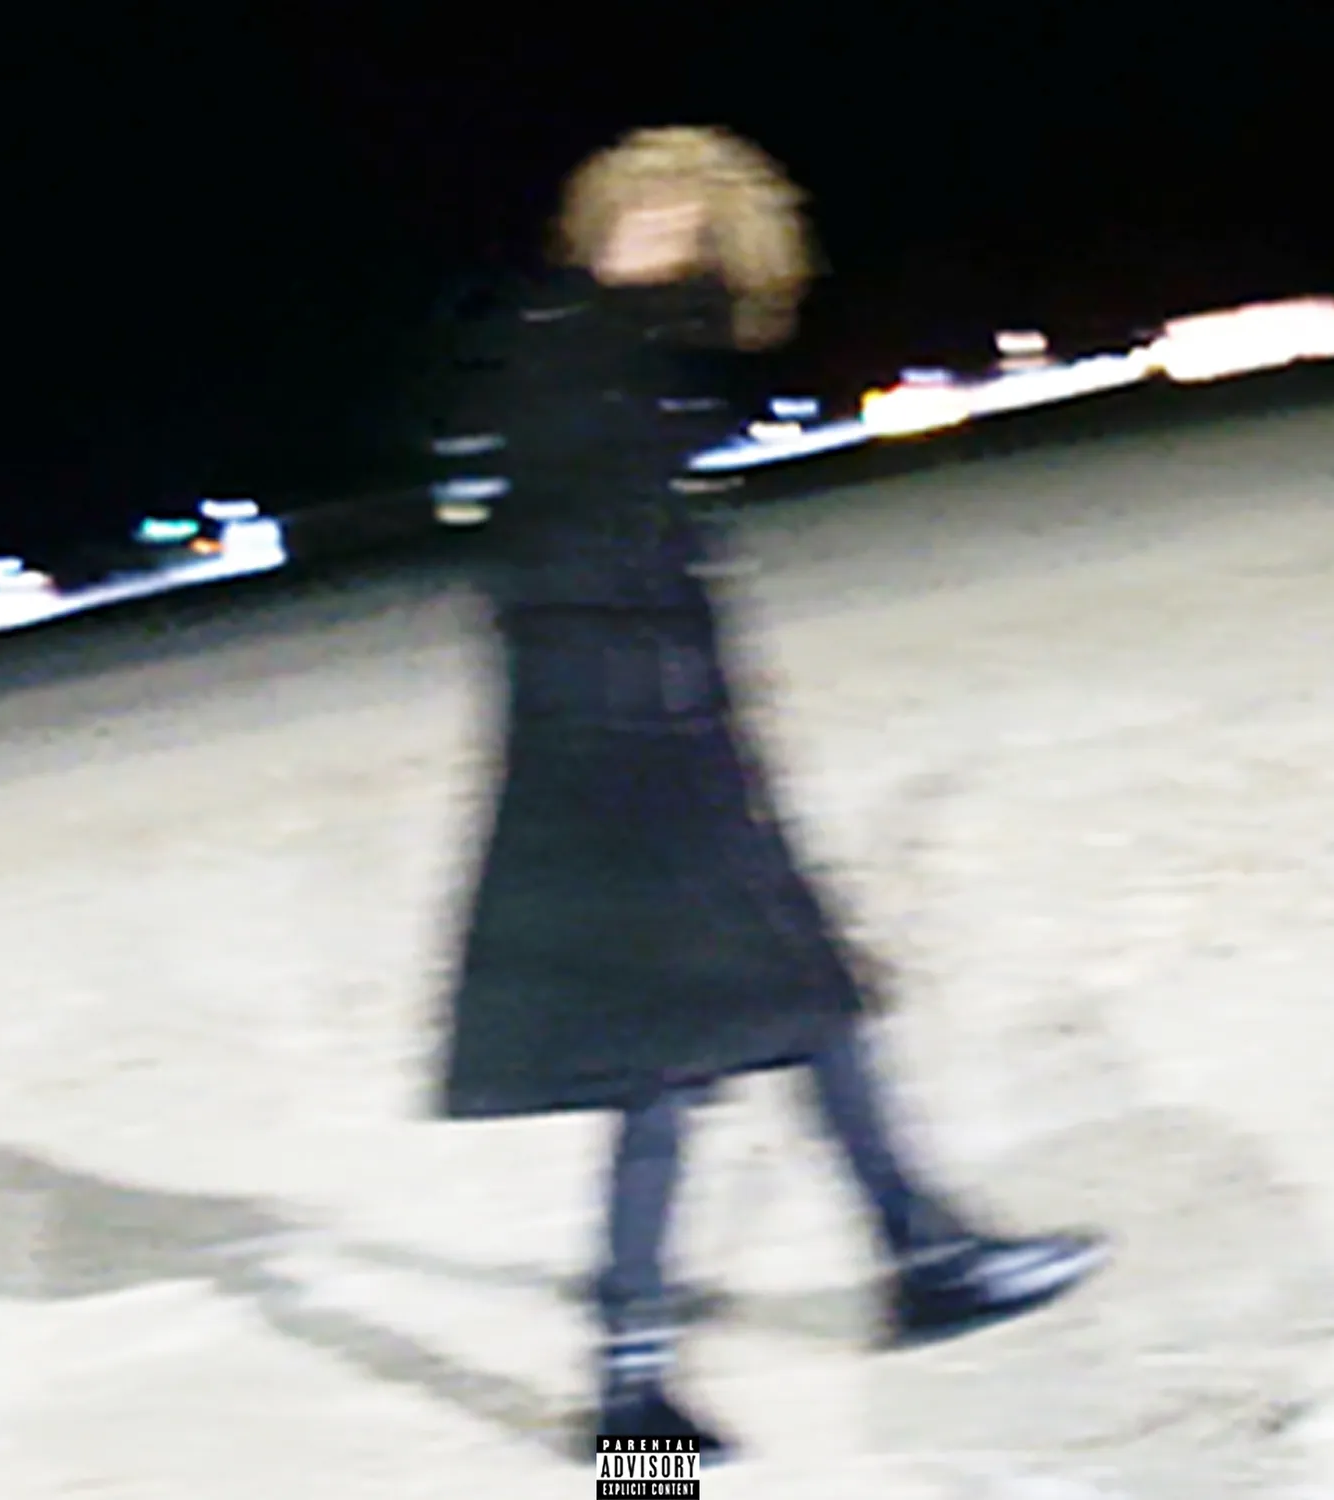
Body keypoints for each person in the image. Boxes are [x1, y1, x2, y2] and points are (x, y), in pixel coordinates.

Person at [428, 126, 1108, 1464]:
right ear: (616, 217)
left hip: (658, 747)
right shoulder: (567, 348)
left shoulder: (610, 351)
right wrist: (655, 744)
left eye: (692, 227)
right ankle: (634, 1408)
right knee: (672, 1067)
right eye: (655, 217)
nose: (668, 243)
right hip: (629, 770)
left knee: (808, 1005)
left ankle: (918, 1258)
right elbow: (558, 569)